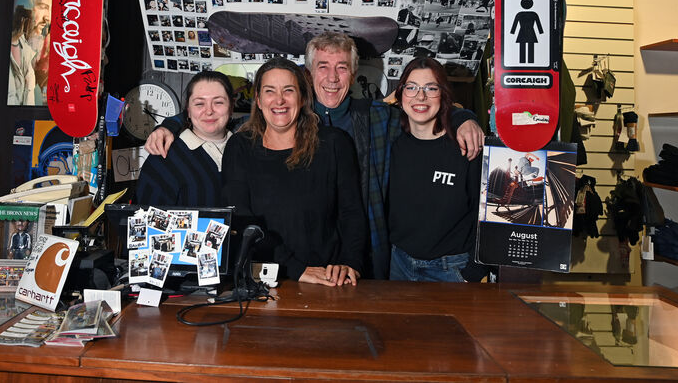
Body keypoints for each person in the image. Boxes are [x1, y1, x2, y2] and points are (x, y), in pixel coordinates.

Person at [146, 32, 485, 278]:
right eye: (323, 67)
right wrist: (172, 124)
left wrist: (464, 117)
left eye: (341, 68)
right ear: (309, 76)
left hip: (370, 257)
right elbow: (214, 115)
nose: (333, 78)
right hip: (289, 268)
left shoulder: (377, 117)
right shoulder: (262, 128)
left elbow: (422, 106)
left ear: (353, 74)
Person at [222, 58, 366, 286]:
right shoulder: (240, 147)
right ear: (258, 100)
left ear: (302, 98)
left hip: (327, 278)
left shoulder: (334, 143)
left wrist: (350, 262)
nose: (279, 100)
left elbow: (352, 212)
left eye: (288, 90)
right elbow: (241, 219)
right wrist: (296, 269)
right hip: (263, 279)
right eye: (270, 91)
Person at [387, 57, 487, 282]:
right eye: (411, 88)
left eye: (430, 88)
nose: (420, 96)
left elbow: (484, 214)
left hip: (450, 269)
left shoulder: (465, 147)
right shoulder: (391, 142)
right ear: (400, 94)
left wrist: (473, 271)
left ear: (443, 95)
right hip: (398, 265)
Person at [135, 71, 235, 207]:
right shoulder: (164, 158)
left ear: (231, 107)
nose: (209, 111)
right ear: (188, 110)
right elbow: (145, 223)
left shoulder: (248, 149)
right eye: (199, 104)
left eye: (218, 102)